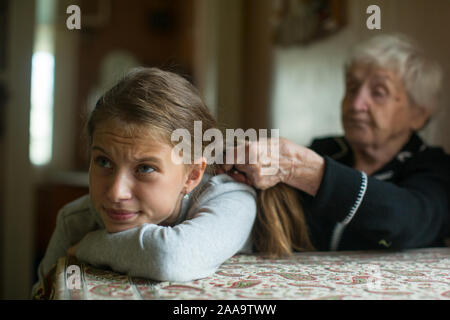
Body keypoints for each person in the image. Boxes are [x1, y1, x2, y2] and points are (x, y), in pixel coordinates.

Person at [32, 67, 260, 298]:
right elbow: (43, 293)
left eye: (145, 168)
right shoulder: (75, 221)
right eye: (103, 161)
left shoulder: (230, 200)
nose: (116, 193)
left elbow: (170, 257)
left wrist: (87, 247)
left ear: (191, 176)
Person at [221, 33, 450, 253]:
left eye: (379, 92)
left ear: (418, 114)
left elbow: (406, 222)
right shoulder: (327, 150)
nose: (357, 103)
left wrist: (304, 169)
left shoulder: (433, 166)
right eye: (352, 88)